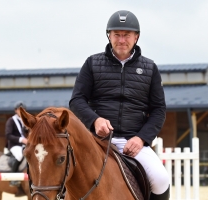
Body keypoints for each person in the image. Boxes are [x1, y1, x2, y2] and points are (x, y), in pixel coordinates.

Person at [69, 10, 170, 200]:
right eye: (117, 34)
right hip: (96, 140)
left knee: (161, 178)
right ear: (109, 35)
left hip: (133, 143)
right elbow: (77, 100)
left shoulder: (150, 68)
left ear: (136, 37)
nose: (121, 40)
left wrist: (141, 139)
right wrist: (95, 120)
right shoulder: (92, 63)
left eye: (126, 35)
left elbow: (158, 110)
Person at [5, 101, 28, 187]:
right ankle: (12, 179)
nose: (22, 112)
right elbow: (8, 135)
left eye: (24, 110)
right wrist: (21, 139)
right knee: (20, 155)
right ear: (16, 110)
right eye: (20, 110)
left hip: (24, 144)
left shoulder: (24, 121)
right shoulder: (11, 121)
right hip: (14, 145)